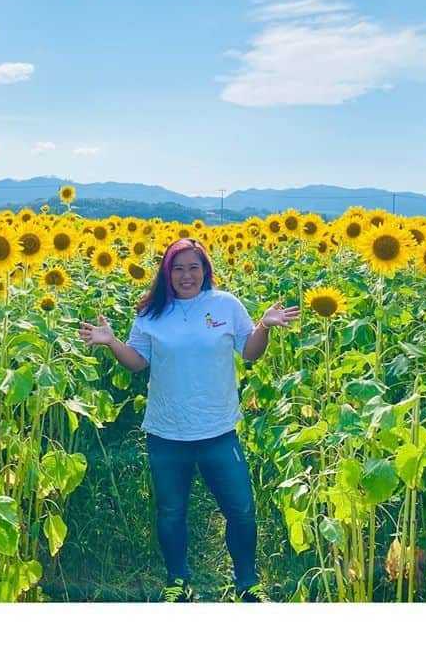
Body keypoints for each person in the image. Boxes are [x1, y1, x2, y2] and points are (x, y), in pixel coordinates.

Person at [78, 238, 299, 602]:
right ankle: (177, 581)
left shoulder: (225, 305)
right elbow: (137, 363)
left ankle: (247, 583)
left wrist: (264, 327)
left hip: (218, 431)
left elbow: (250, 354)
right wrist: (112, 342)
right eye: (178, 268)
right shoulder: (151, 314)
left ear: (205, 270)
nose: (186, 275)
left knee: (242, 509)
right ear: (167, 273)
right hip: (167, 433)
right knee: (170, 513)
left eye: (193, 267)